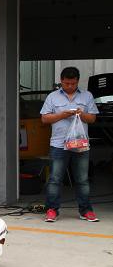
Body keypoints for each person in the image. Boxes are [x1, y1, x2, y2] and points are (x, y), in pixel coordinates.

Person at [40, 67, 99, 223]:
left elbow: (92, 119)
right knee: (55, 179)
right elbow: (44, 119)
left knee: (82, 179)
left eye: (73, 83)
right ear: (61, 81)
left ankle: (86, 210)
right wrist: (62, 115)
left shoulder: (87, 96)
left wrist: (81, 114)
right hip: (58, 144)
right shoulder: (52, 97)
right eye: (66, 83)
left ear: (78, 81)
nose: (70, 86)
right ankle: (52, 210)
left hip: (80, 144)